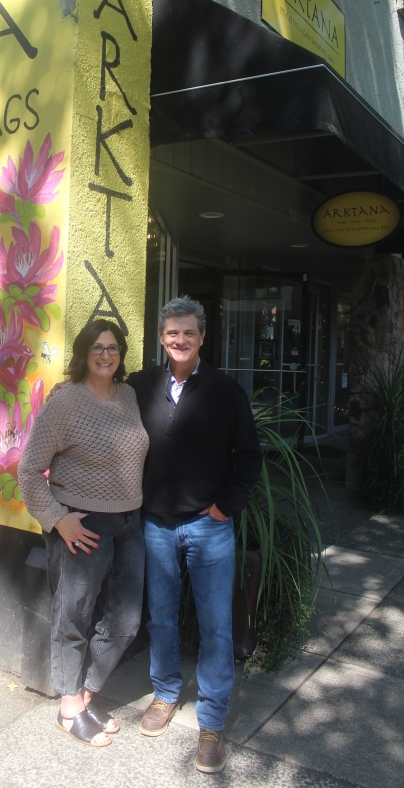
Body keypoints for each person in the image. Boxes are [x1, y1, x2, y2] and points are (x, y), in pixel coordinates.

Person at [127, 296, 262, 774]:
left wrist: (225, 508)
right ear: (162, 338)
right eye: (171, 332)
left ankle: (212, 720)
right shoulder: (142, 385)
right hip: (156, 524)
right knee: (161, 618)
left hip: (208, 527)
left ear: (202, 337)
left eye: (188, 332)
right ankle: (164, 693)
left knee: (215, 626)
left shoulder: (225, 391)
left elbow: (248, 456)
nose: (179, 340)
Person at [18, 319, 149, 748]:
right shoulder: (67, 401)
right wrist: (58, 518)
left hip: (129, 524)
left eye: (113, 347)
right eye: (98, 347)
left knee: (126, 622)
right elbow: (30, 471)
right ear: (84, 352)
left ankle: (84, 693)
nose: (106, 355)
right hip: (82, 526)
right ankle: (69, 706)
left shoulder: (128, 396)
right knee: (73, 617)